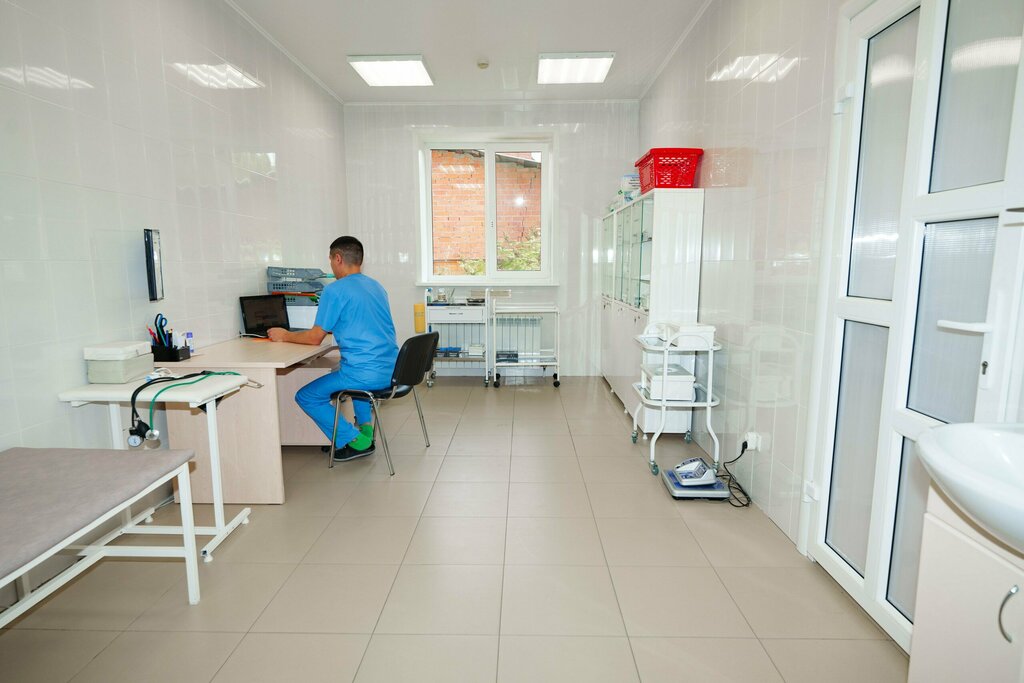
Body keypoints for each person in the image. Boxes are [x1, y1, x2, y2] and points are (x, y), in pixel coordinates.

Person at [267, 236, 398, 461]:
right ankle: (366, 432)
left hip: (364, 374)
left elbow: (314, 338)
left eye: (330, 261)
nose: (331, 266)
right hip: (392, 370)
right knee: (353, 378)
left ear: (338, 258)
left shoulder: (335, 290)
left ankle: (355, 441)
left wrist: (284, 335)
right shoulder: (376, 286)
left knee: (306, 396)